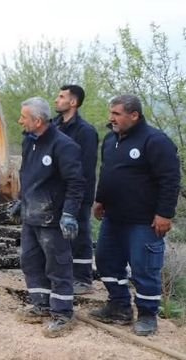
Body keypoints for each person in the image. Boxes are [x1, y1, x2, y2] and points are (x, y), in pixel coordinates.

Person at [89, 94, 181, 337]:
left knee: (144, 269)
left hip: (144, 221)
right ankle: (119, 306)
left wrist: (164, 214)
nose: (111, 118)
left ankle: (148, 315)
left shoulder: (156, 141)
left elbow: (170, 180)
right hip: (113, 218)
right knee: (107, 262)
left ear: (134, 115)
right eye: (111, 113)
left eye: (117, 114)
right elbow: (106, 171)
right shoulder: (110, 140)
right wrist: (100, 199)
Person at [14, 97, 84, 337]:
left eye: (24, 117)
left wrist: (69, 214)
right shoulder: (29, 141)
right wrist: (20, 202)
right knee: (31, 262)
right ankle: (40, 305)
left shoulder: (63, 146)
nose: (20, 121)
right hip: (31, 215)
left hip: (53, 219)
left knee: (58, 266)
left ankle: (63, 313)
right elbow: (28, 176)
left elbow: (76, 183)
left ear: (38, 120)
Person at [52, 84, 100, 295]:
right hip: (56, 192)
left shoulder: (85, 131)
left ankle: (83, 279)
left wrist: (78, 197)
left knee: (80, 234)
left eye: (61, 97)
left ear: (73, 102)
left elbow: (86, 168)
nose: (56, 100)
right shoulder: (53, 126)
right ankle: (64, 275)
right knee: (60, 235)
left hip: (78, 193)